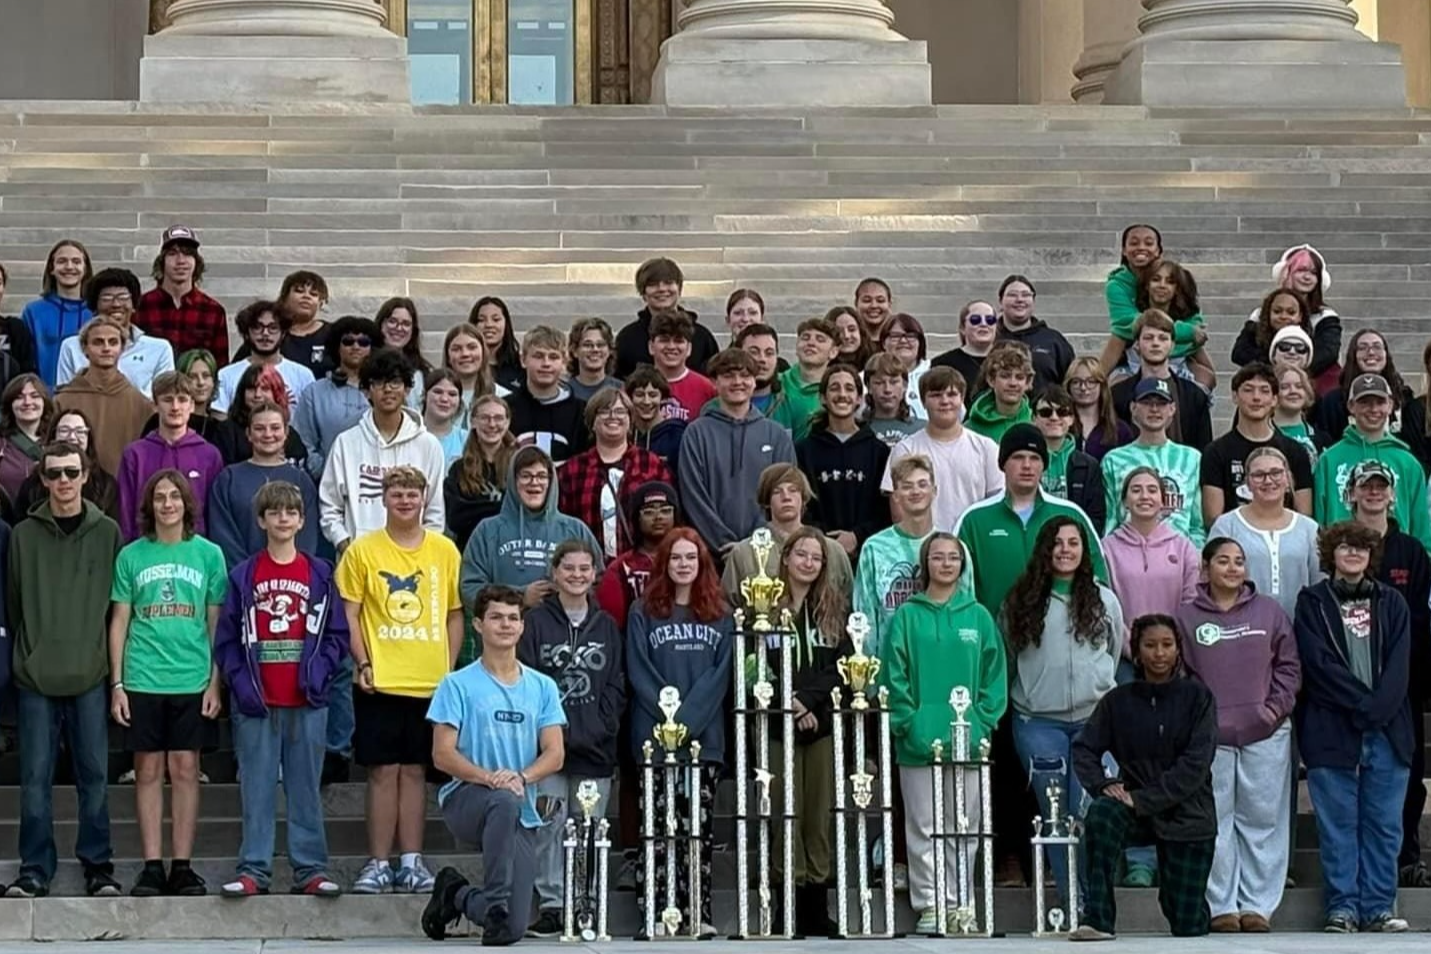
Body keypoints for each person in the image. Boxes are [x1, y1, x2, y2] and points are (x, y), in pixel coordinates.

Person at [213, 480, 348, 898]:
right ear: (261, 520)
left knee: (305, 786)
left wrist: (320, 673)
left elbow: (337, 635)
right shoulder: (244, 575)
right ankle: (254, 868)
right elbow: (227, 640)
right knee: (256, 786)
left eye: (290, 512)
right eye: (274, 513)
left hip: (306, 699)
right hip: (257, 700)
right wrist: (240, 684)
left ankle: (310, 869)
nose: (283, 519)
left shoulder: (321, 574)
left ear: (302, 520)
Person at [339, 466, 464, 895]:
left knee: (414, 772)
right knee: (381, 772)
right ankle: (377, 863)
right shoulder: (363, 550)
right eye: (397, 493)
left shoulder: (445, 550)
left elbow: (453, 613)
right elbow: (350, 613)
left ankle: (411, 862)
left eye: (413, 493)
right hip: (381, 679)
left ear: (425, 497)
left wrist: (448, 671)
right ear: (384, 498)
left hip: (428, 682)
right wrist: (363, 660)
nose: (406, 500)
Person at [419, 584, 566, 947]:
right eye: (496, 617)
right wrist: (490, 779)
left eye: (513, 618)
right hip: (467, 799)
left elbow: (554, 753)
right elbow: (443, 755)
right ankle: (497, 902)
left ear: (522, 627)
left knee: (512, 931)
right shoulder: (456, 684)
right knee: (502, 799)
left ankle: (456, 894)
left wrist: (521, 776)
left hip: (520, 804)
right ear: (478, 625)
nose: (505, 625)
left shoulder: (543, 686)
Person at [4, 441, 120, 900]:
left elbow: (117, 608)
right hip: (36, 677)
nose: (64, 482)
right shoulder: (22, 536)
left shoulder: (107, 531)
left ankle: (99, 867)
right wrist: (28, 655)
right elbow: (14, 605)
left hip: (90, 674)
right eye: (54, 474)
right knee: (35, 779)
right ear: (42, 478)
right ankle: (34, 869)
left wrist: (110, 672)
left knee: (94, 776)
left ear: (86, 475)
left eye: (71, 472)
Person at [108, 469, 226, 898]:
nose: (167, 504)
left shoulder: (209, 555)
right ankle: (152, 865)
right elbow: (120, 621)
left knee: (186, 769)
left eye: (175, 496)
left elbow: (215, 623)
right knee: (148, 771)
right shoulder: (131, 556)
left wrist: (216, 682)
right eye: (159, 497)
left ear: (186, 503)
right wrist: (117, 683)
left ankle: (182, 865)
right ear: (149, 506)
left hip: (192, 677)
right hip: (143, 676)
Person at [881, 532, 1006, 935]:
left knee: (965, 824)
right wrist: (908, 722)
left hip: (968, 740)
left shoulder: (979, 616)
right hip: (918, 742)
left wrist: (982, 722)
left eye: (954, 557)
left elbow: (994, 676)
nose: (947, 564)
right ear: (926, 565)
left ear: (962, 565)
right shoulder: (906, 616)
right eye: (938, 557)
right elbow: (893, 675)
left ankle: (960, 903)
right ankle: (930, 903)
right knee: (923, 824)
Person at [1175, 538, 1301, 933]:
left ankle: (1258, 905)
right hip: (1210, 739)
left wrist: (1272, 710)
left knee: (1263, 821)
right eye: (1224, 561)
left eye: (1240, 562)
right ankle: (1221, 906)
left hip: (1265, 734)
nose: (1233, 568)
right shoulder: (1185, 617)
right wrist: (1197, 724)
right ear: (1206, 568)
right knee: (1217, 822)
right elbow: (1178, 675)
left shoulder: (1269, 612)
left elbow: (1289, 667)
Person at [1293, 521, 1413, 933]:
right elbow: (1318, 664)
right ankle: (1342, 907)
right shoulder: (1311, 602)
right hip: (1332, 728)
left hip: (1388, 730)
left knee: (1384, 824)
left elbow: (1400, 666)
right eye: (1345, 547)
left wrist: (1377, 709)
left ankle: (1379, 907)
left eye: (1361, 548)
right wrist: (1362, 705)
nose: (1353, 554)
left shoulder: (1393, 602)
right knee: (1338, 824)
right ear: (1331, 554)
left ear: (1370, 555)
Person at [1069, 614, 1219, 941]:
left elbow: (1195, 766)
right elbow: (1083, 749)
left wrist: (1144, 799)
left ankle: (1187, 904)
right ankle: (1098, 918)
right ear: (1136, 652)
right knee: (1102, 814)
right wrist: (1103, 784)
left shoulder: (1198, 698)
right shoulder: (1117, 701)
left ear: (1179, 650)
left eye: (1167, 645)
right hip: (1131, 808)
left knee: (1188, 924)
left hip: (1188, 813)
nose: (1159, 653)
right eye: (1150, 645)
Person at [1002, 516, 1123, 905]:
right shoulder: (1019, 601)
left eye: (1073, 542)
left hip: (1094, 722)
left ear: (1084, 550)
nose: (1065, 550)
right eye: (1057, 543)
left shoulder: (1104, 600)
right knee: (1055, 812)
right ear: (1044, 549)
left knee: (1085, 811)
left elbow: (1115, 650)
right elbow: (1007, 656)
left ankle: (1094, 899)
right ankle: (1074, 901)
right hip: (1038, 722)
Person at [626, 528, 733, 936]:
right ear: (664, 563)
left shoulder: (720, 613)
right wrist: (669, 721)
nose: (683, 564)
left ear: (702, 563)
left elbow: (719, 676)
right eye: (676, 558)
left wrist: (686, 721)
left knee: (696, 833)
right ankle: (654, 914)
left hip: (703, 742)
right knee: (655, 830)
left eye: (691, 557)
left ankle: (697, 915)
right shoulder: (643, 611)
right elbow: (638, 669)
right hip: (654, 739)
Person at [516, 541, 625, 938]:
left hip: (595, 748)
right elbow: (524, 679)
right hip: (548, 751)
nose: (577, 576)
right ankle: (552, 904)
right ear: (555, 573)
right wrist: (546, 730)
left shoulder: (607, 625)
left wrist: (603, 722)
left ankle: (585, 902)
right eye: (569, 569)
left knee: (590, 828)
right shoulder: (535, 623)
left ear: (595, 573)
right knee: (549, 826)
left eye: (585, 569)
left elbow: (616, 682)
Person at [1347, 461, 1431, 887]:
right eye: (1367, 486)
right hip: (1348, 683)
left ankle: (1407, 855)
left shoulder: (1412, 551)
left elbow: (1420, 617)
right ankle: (1354, 861)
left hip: (1402, 684)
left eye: (1381, 487)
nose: (1374, 493)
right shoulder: (1339, 544)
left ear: (1393, 494)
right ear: (1353, 493)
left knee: (1408, 770)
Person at [768, 526, 851, 935]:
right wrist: (789, 702)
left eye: (816, 557)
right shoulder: (763, 607)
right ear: (786, 557)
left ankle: (818, 905)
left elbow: (842, 666)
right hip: (775, 726)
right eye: (801, 554)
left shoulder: (833, 609)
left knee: (818, 814)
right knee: (786, 810)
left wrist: (809, 701)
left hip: (820, 725)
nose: (808, 563)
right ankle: (788, 903)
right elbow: (753, 664)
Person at [956, 423, 1108, 620]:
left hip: (1059, 640)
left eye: (1035, 458)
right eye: (1018, 457)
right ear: (1002, 464)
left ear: (1044, 465)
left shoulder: (1071, 514)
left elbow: (1098, 580)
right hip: (993, 640)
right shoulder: (974, 520)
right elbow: (958, 587)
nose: (1027, 465)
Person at [318, 349, 446, 554]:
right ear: (367, 391)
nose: (387, 389)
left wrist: (420, 554)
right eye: (378, 382)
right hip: (359, 559)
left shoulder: (428, 445)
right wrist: (345, 544)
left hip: (412, 559)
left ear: (406, 389)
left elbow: (435, 512)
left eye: (395, 382)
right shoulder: (346, 442)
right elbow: (330, 506)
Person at [677, 347, 796, 555]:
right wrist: (722, 543)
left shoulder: (776, 436)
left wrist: (753, 544)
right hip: (711, 554)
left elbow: (785, 494)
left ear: (754, 381)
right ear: (714, 382)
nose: (738, 382)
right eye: (728, 376)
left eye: (745, 375)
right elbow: (693, 495)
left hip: (765, 553)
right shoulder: (696, 433)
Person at [460, 447, 600, 609]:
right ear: (513, 481)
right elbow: (470, 588)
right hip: (505, 629)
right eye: (526, 476)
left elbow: (599, 582)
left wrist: (567, 595)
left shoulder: (575, 530)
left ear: (551, 481)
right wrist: (520, 598)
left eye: (541, 476)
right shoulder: (487, 530)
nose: (534, 483)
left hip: (562, 630)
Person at [1313, 372, 1431, 551]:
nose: (1373, 409)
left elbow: (1421, 526)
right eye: (1364, 402)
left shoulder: (1408, 463)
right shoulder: (1329, 460)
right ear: (1351, 406)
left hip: (1397, 562)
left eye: (1380, 402)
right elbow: (1319, 521)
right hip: (1345, 559)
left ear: (1391, 405)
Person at [880, 366, 1002, 533]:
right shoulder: (905, 449)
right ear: (923, 401)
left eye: (952, 395)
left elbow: (996, 503)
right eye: (936, 395)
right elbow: (898, 508)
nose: (945, 401)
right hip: (923, 548)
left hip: (973, 543)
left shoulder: (986, 447)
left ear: (962, 398)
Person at [558, 387, 673, 563]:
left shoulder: (651, 464)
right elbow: (562, 526)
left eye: (620, 411)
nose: (613, 416)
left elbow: (670, 521)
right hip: (586, 570)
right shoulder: (572, 470)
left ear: (630, 420)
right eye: (604, 411)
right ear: (592, 422)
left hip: (642, 567)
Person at [1207, 447, 1323, 620]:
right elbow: (1214, 582)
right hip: (1242, 627)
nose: (1268, 481)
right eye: (1258, 475)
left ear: (1287, 478)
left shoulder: (1308, 528)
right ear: (1247, 482)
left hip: (1300, 628)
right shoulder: (1226, 525)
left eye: (1276, 473)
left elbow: (1319, 584)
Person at [207, 401, 322, 568]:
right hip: (241, 580)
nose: (268, 434)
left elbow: (308, 535)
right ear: (249, 433)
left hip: (291, 580)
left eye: (275, 428)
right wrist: (247, 572)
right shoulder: (228, 479)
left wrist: (288, 568)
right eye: (260, 428)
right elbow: (222, 534)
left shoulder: (301, 480)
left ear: (286, 432)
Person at [796, 364, 892, 558]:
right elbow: (802, 506)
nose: (842, 394)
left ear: (858, 399)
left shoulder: (879, 451)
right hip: (817, 553)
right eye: (834, 388)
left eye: (849, 388)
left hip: (867, 553)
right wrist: (824, 538)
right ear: (823, 398)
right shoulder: (803, 450)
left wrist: (857, 536)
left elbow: (885, 511)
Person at [719, 463, 853, 601]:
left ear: (804, 498)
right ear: (766, 501)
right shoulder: (744, 553)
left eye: (793, 490)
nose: (786, 497)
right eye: (777, 492)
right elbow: (726, 608)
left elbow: (849, 603)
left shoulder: (833, 551)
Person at [1199, 363, 1314, 522]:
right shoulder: (1216, 451)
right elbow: (1213, 518)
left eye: (1264, 391)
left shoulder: (1295, 451)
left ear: (1274, 399)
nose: (1256, 397)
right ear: (1234, 396)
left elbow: (1304, 515)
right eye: (1248, 390)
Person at [117, 371, 224, 541]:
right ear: (155, 405)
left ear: (192, 406)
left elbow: (215, 515)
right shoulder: (135, 455)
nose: (175, 407)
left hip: (194, 550)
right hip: (146, 548)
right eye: (167, 400)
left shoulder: (209, 455)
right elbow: (125, 511)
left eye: (182, 400)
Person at [1101, 377, 1205, 546]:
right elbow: (1111, 520)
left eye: (1161, 403)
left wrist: (1196, 556)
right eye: (1147, 403)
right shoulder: (1114, 460)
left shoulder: (1191, 458)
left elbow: (1196, 524)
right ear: (1133, 408)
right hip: (1129, 551)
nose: (1154, 409)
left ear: (1172, 409)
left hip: (1178, 556)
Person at [1103, 467, 1200, 644]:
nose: (1144, 496)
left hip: (1175, 653)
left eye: (1152, 490)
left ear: (1163, 501)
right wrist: (1132, 647)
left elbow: (1191, 604)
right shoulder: (1107, 549)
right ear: (1125, 501)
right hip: (1124, 654)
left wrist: (1170, 646)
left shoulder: (1184, 548)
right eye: (1136, 490)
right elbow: (1105, 606)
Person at [54, 316, 153, 476]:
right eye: (98, 342)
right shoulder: (63, 400)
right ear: (85, 348)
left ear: (122, 348)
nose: (106, 348)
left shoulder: (141, 404)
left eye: (113, 342)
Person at [57, 268, 173, 397]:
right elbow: (65, 397)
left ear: (134, 305)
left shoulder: (159, 349)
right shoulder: (72, 347)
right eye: (107, 298)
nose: (116, 304)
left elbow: (165, 399)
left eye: (123, 297)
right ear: (95, 307)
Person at [1110, 310, 1213, 451]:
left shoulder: (1194, 395)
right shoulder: (1118, 394)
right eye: (1148, 338)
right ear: (1136, 345)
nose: (1155, 344)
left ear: (1172, 346)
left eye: (1163, 338)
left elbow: (1203, 447)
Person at [1243, 246, 1342, 391]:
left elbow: (1328, 354)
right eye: (1301, 270)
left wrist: (1295, 374)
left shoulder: (1325, 316)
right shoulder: (1259, 315)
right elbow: (1241, 352)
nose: (1307, 277)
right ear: (1286, 272)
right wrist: (1277, 367)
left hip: (1314, 386)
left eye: (1313, 273)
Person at [292, 314, 377, 479]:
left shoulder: (385, 390)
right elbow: (303, 442)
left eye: (364, 342)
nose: (356, 346)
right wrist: (325, 471)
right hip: (330, 483)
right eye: (348, 341)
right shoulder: (315, 393)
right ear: (337, 346)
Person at [4, 409, 119, 525]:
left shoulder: (106, 484)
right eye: (64, 430)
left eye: (80, 431)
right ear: (53, 436)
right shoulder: (33, 484)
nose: (72, 437)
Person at [134, 226, 229, 365]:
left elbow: (220, 366)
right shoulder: (140, 306)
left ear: (196, 262)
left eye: (187, 254)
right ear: (162, 261)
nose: (181, 261)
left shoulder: (213, 310)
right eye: (173, 253)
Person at [614, 258, 719, 379]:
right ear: (643, 292)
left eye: (668, 283)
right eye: (653, 284)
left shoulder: (702, 336)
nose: (662, 289)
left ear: (679, 288)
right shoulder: (627, 338)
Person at [595, 480, 678, 631]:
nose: (658, 517)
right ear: (636, 519)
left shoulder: (692, 563)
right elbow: (610, 627)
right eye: (649, 512)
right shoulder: (620, 569)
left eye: (665, 510)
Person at [213, 300, 316, 416]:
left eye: (273, 327)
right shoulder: (226, 375)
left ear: (283, 333)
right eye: (257, 327)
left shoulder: (303, 375)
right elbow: (219, 419)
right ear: (246, 333)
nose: (265, 333)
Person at [505, 325, 588, 467]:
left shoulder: (582, 412)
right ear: (523, 360)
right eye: (538, 356)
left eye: (554, 357)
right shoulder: (505, 408)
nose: (546, 363)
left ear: (564, 363)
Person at [443, 394, 515, 554]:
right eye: (485, 418)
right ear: (473, 421)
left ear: (507, 422)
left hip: (511, 551)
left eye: (498, 418)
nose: (492, 424)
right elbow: (456, 517)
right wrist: (502, 509)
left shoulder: (519, 466)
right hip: (471, 551)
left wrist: (477, 509)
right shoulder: (459, 469)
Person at [1312, 329, 1410, 440]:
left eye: (1377, 347)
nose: (1371, 352)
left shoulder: (1404, 397)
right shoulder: (1333, 402)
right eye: (1363, 348)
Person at [1030, 385, 1105, 529]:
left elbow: (1095, 518)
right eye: (1045, 412)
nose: (1054, 417)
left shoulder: (1089, 465)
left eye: (1062, 412)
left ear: (1071, 419)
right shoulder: (1023, 461)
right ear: (1034, 418)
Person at [22, 239, 92, 389]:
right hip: (46, 398)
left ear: (85, 269)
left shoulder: (96, 311)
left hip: (89, 397)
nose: (69, 267)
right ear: (51, 269)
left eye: (76, 261)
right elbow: (27, 362)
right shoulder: (34, 312)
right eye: (62, 261)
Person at [1132, 258, 1214, 388]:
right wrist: (1185, 337)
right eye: (1156, 279)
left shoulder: (1189, 316)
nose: (1162, 285)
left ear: (1177, 289)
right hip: (1137, 366)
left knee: (1205, 378)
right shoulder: (1134, 312)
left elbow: (1197, 346)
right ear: (1147, 285)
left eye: (1170, 282)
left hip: (1179, 368)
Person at [212, 364, 309, 469]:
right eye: (251, 389)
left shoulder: (290, 435)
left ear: (276, 393)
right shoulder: (227, 431)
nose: (257, 395)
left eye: (265, 388)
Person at [1100, 223, 1163, 378]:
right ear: (1124, 250)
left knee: (1206, 375)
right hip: (1131, 344)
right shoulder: (1116, 285)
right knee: (1120, 333)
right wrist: (1185, 331)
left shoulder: (1172, 279)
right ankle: (1096, 380)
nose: (1141, 247)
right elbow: (1127, 323)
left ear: (1158, 251)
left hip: (1172, 347)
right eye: (1134, 243)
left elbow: (1192, 314)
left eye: (1149, 243)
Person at [995, 274, 1072, 392]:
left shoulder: (1053, 340)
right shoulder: (990, 339)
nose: (1020, 299)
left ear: (1033, 301)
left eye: (1026, 295)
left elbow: (1070, 381)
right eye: (1012, 295)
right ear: (1000, 302)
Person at [771, 315, 839, 441]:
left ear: (833, 352)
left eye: (820, 339)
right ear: (797, 347)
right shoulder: (776, 383)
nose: (811, 343)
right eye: (805, 338)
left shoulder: (838, 390)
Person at [647, 309, 715, 425]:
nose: (671, 346)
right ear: (651, 346)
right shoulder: (634, 387)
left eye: (678, 341)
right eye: (664, 340)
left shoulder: (707, 389)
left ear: (689, 348)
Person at [1066, 357, 1134, 462]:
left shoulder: (1120, 431)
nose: (1083, 387)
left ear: (1101, 386)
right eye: (1076, 382)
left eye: (1091, 381)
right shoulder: (1060, 425)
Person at [0, 374, 53, 507]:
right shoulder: (2, 445)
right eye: (19, 397)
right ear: (10, 404)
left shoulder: (58, 440)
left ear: (44, 402)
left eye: (34, 396)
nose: (27, 402)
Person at [268, 271, 332, 379]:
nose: (306, 296)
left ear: (321, 303)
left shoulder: (333, 334)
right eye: (299, 291)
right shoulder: (269, 333)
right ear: (284, 298)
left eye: (313, 294)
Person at [965, 341, 1033, 443]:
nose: (1013, 383)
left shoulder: (1037, 422)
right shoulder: (970, 429)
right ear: (991, 380)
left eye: (1019, 377)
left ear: (1027, 383)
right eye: (1005, 376)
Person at [1232, 288, 1314, 371]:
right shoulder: (1253, 331)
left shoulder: (1310, 336)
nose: (1283, 316)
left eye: (1291, 312)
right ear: (1268, 313)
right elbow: (1238, 354)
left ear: (1300, 316)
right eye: (1277, 311)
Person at [931, 299, 998, 398]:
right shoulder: (942, 364)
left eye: (990, 320)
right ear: (962, 328)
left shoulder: (1009, 361)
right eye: (975, 320)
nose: (984, 324)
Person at [626, 365, 685, 473]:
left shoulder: (678, 435)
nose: (646, 401)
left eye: (653, 395)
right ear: (630, 398)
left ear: (663, 398)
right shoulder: (624, 434)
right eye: (639, 395)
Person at [375, 297, 433, 399]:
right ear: (381, 324)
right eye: (392, 321)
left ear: (413, 330)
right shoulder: (365, 365)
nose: (399, 328)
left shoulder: (424, 373)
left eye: (406, 324)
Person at [878, 313, 931, 421]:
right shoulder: (869, 375)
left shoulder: (934, 372)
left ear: (920, 342)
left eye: (910, 336)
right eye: (895, 336)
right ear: (884, 343)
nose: (903, 341)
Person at [862, 352, 920, 448]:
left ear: (905, 385)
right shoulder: (858, 430)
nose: (887, 390)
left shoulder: (921, 429)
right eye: (879, 383)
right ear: (869, 387)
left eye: (894, 382)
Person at [1274, 364, 1328, 466]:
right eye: (1284, 387)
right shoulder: (1264, 438)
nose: (1293, 391)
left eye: (1299, 386)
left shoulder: (1323, 439)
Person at [470, 296, 524, 393]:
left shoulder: (521, 365)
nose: (489, 325)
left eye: (496, 319)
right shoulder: (467, 364)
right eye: (481, 320)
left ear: (506, 324)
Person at [443, 322, 498, 414]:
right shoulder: (436, 398)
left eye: (472, 347)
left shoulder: (503, 396)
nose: (465, 354)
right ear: (448, 356)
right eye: (456, 349)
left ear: (483, 353)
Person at [734, 323, 784, 416]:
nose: (762, 359)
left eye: (769, 353)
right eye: (754, 352)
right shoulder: (717, 407)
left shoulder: (794, 407)